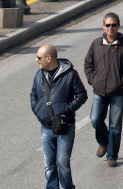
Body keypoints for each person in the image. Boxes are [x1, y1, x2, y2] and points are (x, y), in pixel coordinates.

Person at [84, 12, 123, 168]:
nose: (111, 28)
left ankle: (112, 155)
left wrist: (121, 82)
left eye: (114, 25)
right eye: (108, 25)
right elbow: (88, 65)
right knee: (95, 119)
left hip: (118, 92)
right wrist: (93, 80)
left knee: (115, 125)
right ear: (103, 26)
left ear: (118, 26)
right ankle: (103, 141)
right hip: (99, 90)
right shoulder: (96, 44)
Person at [30, 44, 87, 189]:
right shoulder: (39, 75)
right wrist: (37, 110)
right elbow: (33, 95)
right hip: (46, 128)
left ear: (48, 58)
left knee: (62, 162)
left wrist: (67, 110)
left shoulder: (70, 74)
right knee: (49, 164)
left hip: (64, 126)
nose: (37, 60)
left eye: (39, 58)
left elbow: (81, 95)